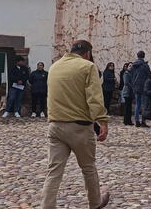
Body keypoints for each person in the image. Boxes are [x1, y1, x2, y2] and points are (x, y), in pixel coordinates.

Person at [40, 40, 110, 209]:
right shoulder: (87, 67)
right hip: (79, 126)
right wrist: (102, 120)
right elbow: (94, 98)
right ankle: (94, 203)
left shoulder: (54, 67)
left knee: (54, 171)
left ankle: (47, 206)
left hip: (55, 125)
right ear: (87, 53)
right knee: (88, 168)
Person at [130, 51, 151, 127]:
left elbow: (131, 76)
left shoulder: (133, 66)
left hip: (135, 86)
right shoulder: (145, 65)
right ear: (144, 56)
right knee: (144, 104)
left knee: (137, 104)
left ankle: (136, 121)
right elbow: (149, 75)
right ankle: (143, 121)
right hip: (144, 86)